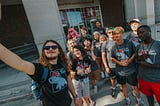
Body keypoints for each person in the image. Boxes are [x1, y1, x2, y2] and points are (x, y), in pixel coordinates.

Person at [0, 40, 78, 106]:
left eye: (54, 47)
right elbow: (20, 63)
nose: (50, 49)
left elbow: (68, 80)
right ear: (44, 52)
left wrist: (75, 96)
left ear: (59, 51)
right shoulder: (40, 69)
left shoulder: (63, 65)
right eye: (47, 48)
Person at [110, 26, 143, 106]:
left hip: (131, 70)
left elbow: (135, 53)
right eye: (115, 34)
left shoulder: (129, 42)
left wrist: (129, 61)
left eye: (118, 33)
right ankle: (127, 99)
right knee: (123, 86)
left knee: (135, 87)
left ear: (122, 34)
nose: (117, 35)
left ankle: (139, 100)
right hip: (120, 72)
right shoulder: (113, 47)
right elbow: (112, 58)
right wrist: (119, 63)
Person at [136, 25, 160, 106]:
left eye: (142, 32)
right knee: (149, 96)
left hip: (156, 80)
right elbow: (136, 60)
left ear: (149, 32)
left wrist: (150, 65)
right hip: (143, 78)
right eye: (138, 33)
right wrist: (140, 58)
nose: (139, 35)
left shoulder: (158, 45)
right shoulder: (138, 46)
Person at [101, 27, 117, 98]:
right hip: (111, 65)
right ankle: (113, 88)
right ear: (107, 34)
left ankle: (123, 89)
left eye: (112, 32)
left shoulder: (118, 40)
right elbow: (103, 56)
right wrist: (106, 67)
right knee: (112, 79)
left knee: (121, 79)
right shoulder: (105, 43)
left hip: (120, 65)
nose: (111, 34)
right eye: (109, 33)